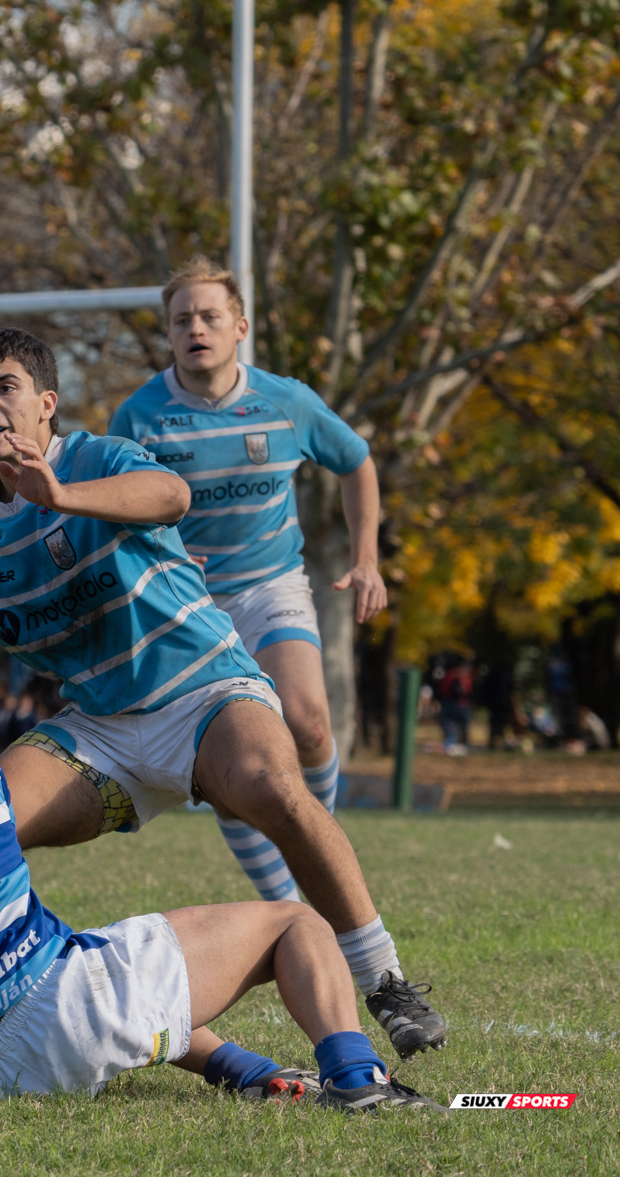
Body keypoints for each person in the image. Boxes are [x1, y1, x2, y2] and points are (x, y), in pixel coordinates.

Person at [0, 326, 446, 1059]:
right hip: (100, 731)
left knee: (273, 785)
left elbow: (172, 494)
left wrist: (64, 496)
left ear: (47, 404)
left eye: (4, 387)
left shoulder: (97, 459)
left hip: (205, 691)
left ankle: (385, 981)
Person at [0, 631, 442, 1111]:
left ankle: (252, 1074)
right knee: (296, 922)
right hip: (64, 1014)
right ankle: (358, 1080)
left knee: (95, 961)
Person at [108, 257, 382, 902]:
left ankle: (322, 852)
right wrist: (157, 553)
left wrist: (367, 558)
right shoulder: (139, 417)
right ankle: (290, 907)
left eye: (209, 316)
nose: (195, 328)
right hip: (187, 604)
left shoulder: (285, 401)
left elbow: (357, 463)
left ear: (240, 327)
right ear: (169, 335)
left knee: (309, 723)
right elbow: (113, 508)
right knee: (233, 768)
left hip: (271, 583)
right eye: (181, 320)